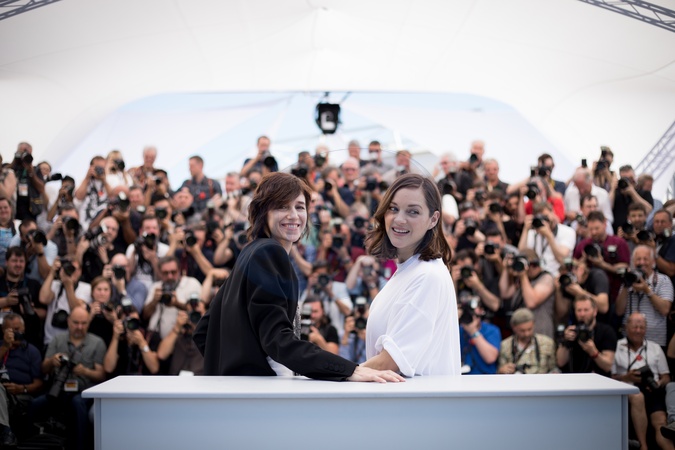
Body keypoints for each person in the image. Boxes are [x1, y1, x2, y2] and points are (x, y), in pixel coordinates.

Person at [194, 172, 402, 382]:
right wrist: (349, 370)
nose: (293, 215)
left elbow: (203, 331)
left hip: (239, 391)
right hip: (261, 393)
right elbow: (278, 340)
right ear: (263, 212)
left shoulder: (250, 252)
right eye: (282, 207)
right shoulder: (269, 253)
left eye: (300, 207)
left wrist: (228, 373)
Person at [361, 173, 461, 376]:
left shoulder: (427, 276)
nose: (399, 219)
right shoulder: (408, 271)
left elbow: (389, 362)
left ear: (433, 219)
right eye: (393, 208)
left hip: (418, 397)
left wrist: (336, 375)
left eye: (413, 212)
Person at [612, 313, 672, 450]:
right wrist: (627, 377)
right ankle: (643, 446)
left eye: (641, 327)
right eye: (634, 327)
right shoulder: (617, 346)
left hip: (652, 390)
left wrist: (658, 383)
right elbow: (610, 378)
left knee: (660, 423)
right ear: (626, 327)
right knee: (637, 397)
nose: (638, 331)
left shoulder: (655, 348)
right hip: (629, 390)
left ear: (646, 329)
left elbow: (666, 376)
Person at [497, 308, 556, 374]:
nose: (527, 334)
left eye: (529, 329)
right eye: (522, 330)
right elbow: (500, 372)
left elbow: (553, 368)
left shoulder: (547, 343)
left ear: (534, 324)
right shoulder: (505, 345)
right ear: (513, 327)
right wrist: (502, 371)